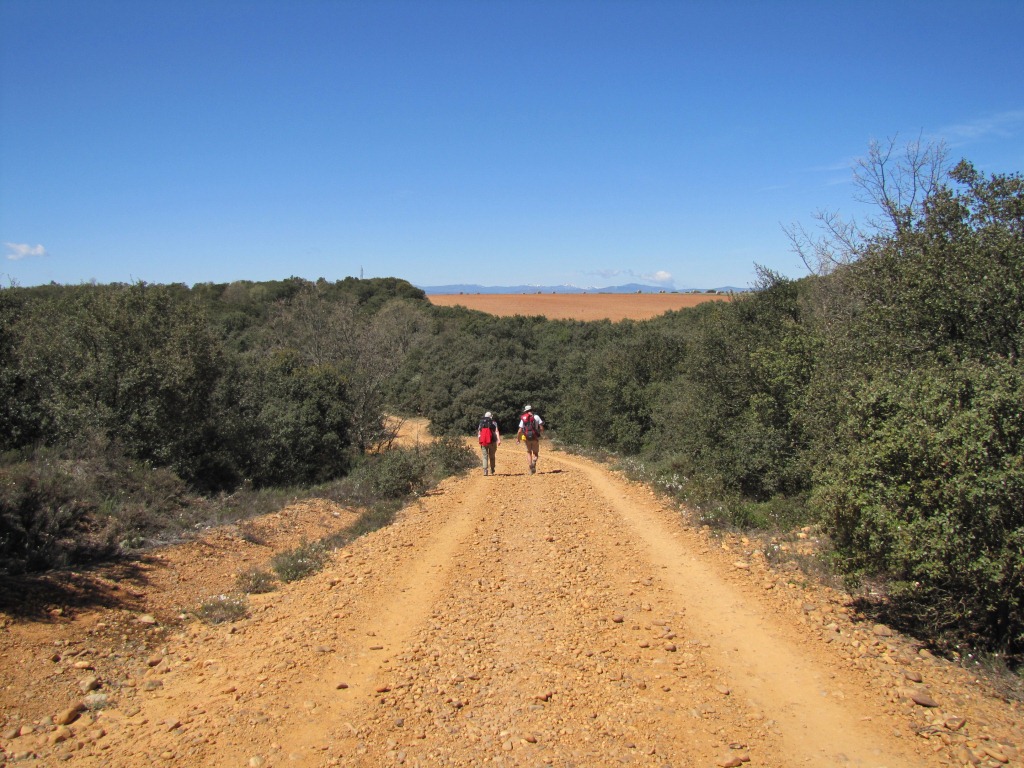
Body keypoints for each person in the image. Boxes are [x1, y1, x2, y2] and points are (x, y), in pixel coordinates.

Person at [516, 404, 544, 475]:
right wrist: (541, 432)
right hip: (535, 437)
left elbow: (519, 431)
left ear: (526, 411)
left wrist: (518, 439)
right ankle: (534, 461)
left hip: (526, 438)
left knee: (529, 452)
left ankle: (530, 468)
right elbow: (541, 428)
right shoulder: (536, 417)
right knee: (536, 453)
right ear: (532, 410)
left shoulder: (524, 418)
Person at [478, 411, 501, 476]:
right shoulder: (494, 423)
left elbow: (479, 433)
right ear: (491, 417)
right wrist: (498, 440)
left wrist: (480, 440)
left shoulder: (481, 422)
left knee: (485, 456)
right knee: (492, 456)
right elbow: (496, 431)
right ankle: (492, 469)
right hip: (492, 441)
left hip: (483, 441)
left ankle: (485, 470)